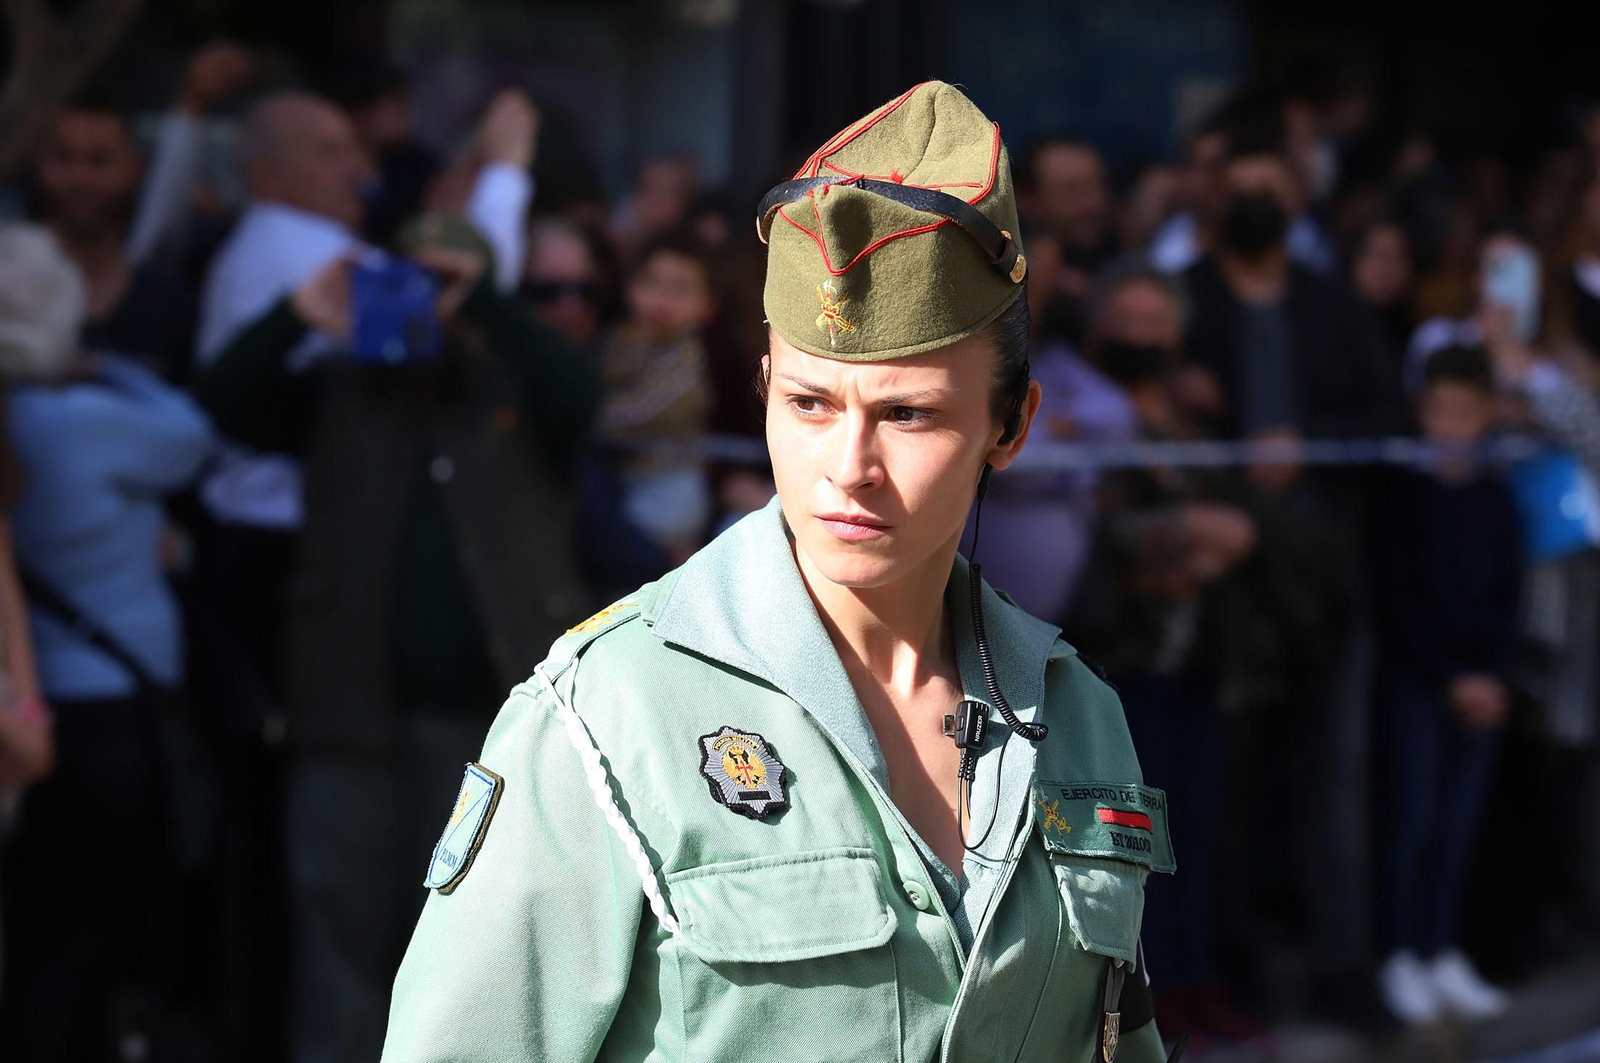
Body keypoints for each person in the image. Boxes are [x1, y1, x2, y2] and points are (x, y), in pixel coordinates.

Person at [383, 80, 1176, 1063]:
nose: (849, 465)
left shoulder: (1079, 712)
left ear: (1008, 425)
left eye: (908, 414)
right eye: (808, 402)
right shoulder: (608, 710)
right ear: (761, 386)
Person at [195, 211, 600, 1063]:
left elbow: (581, 397)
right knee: (337, 965)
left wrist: (484, 306)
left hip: (493, 739)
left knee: (479, 970)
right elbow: (221, 403)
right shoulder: (340, 388)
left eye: (442, 282)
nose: (422, 303)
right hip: (346, 729)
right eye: (408, 281)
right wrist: (304, 310)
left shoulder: (518, 392)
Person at [0, 223, 215, 1061]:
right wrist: (105, 362)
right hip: (93, 714)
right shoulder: (80, 417)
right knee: (84, 939)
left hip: (30, 702)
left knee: (34, 929)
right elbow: (191, 434)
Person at [1371, 344, 1521, 1023]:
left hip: (1481, 688)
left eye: (1467, 411)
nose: (1453, 423)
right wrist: (1451, 676)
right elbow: (1396, 599)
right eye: (1441, 410)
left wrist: (1491, 675)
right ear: (1421, 410)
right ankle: (1401, 953)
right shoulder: (1402, 492)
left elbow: (1510, 595)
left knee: (1459, 827)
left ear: (1487, 414)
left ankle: (1442, 949)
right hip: (1419, 686)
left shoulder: (1495, 494)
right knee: (1414, 822)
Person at [596, 228, 717, 560]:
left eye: (680, 289)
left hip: (665, 487)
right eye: (650, 282)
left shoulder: (686, 362)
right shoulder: (620, 339)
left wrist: (580, 413)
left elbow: (638, 414)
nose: (662, 300)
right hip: (622, 478)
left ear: (706, 305)